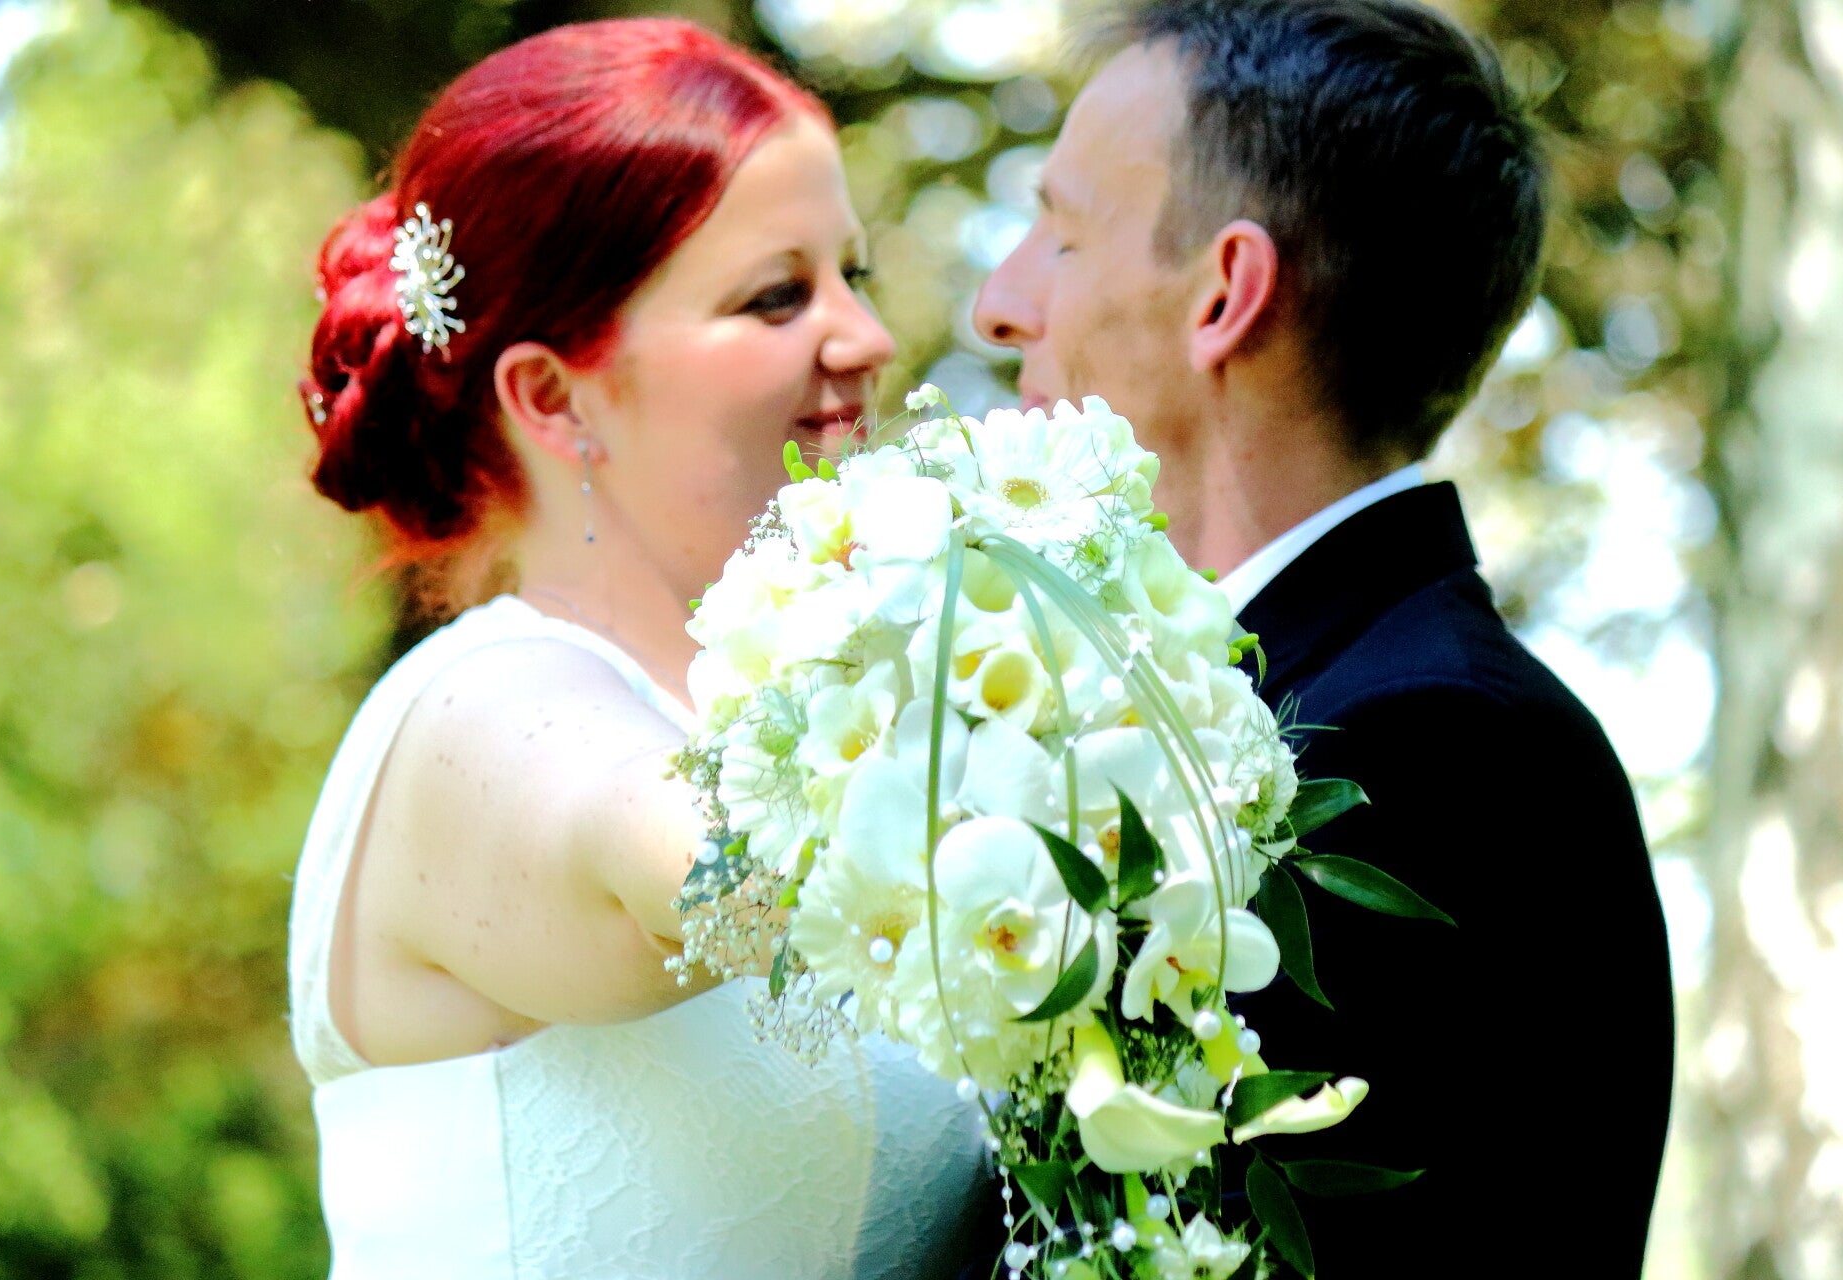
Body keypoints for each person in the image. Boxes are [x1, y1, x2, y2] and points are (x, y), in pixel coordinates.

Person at [972, 1, 1674, 1275]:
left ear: (1225, 294)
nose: (997, 304)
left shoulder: (1430, 747)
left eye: (1061, 234)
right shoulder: (1274, 694)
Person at [287, 19, 987, 1279]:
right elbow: (705, 863)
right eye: (777, 295)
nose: (866, 337)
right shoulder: (480, 711)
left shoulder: (801, 706)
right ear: (553, 397)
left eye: (853, 274)